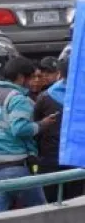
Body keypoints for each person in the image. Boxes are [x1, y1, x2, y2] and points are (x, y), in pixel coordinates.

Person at [0, 57, 59, 214]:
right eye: (30, 78)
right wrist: (42, 124)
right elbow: (20, 129)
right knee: (42, 213)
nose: (31, 83)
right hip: (17, 166)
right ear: (21, 77)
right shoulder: (18, 99)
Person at [33, 57, 82, 203]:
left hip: (50, 158)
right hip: (76, 157)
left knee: (51, 202)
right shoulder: (81, 96)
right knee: (75, 201)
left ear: (60, 73)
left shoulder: (45, 96)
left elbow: (36, 127)